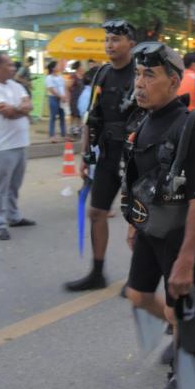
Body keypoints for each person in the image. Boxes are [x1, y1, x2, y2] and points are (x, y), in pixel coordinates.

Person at [123, 41, 195, 389]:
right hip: (150, 229)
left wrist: (187, 257)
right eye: (137, 74)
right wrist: (135, 222)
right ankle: (183, 332)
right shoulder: (144, 119)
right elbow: (141, 179)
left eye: (149, 75)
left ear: (174, 81)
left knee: (180, 302)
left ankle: (183, 376)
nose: (139, 83)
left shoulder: (187, 126)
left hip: (179, 236)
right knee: (137, 295)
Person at [64, 19, 138, 292]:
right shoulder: (102, 74)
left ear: (131, 43)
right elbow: (91, 117)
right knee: (96, 212)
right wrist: (86, 156)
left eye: (116, 39)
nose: (110, 44)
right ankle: (97, 273)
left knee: (138, 218)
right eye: (107, 39)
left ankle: (139, 280)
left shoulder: (141, 72)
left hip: (135, 155)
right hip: (106, 153)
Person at [0, 52, 35, 240]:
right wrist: (21, 110)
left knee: (15, 184)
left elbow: (28, 106)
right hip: (3, 146)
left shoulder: (16, 85)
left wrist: (18, 109)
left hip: (21, 142)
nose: (13, 68)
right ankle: (0, 223)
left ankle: (14, 216)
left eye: (12, 65)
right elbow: (8, 113)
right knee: (1, 186)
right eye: (9, 65)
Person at [45, 60, 67, 142]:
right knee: (53, 117)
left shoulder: (60, 77)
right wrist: (60, 96)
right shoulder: (49, 77)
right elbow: (51, 89)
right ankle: (52, 136)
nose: (59, 67)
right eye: (57, 65)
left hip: (61, 99)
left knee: (62, 117)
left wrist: (65, 96)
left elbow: (64, 87)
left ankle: (64, 135)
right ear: (53, 68)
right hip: (53, 98)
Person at [68, 60, 85, 137]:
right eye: (81, 66)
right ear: (78, 67)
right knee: (73, 114)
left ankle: (78, 129)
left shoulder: (83, 75)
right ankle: (72, 128)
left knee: (79, 114)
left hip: (81, 98)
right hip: (74, 98)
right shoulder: (73, 76)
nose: (82, 67)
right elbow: (68, 86)